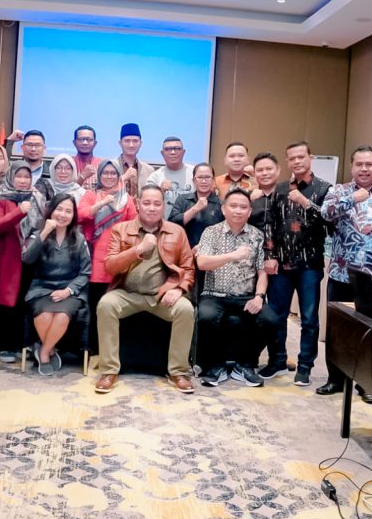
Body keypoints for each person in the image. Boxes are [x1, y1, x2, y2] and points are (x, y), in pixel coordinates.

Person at [316, 145, 372, 400]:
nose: (364, 169)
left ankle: (367, 383)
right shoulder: (338, 191)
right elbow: (325, 214)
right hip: (341, 273)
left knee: (371, 331)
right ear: (352, 166)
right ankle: (336, 379)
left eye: (369, 164)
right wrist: (350, 199)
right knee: (338, 329)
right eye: (359, 164)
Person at [94, 185, 196, 394]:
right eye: (147, 203)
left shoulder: (176, 231)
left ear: (164, 206)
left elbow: (188, 268)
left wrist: (179, 289)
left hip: (161, 296)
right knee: (106, 305)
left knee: (185, 309)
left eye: (157, 203)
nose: (152, 208)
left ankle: (178, 371)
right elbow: (110, 266)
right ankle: (109, 371)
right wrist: (138, 249)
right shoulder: (121, 229)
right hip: (127, 294)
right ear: (138, 204)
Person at [260, 142, 332, 387]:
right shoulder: (280, 189)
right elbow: (269, 224)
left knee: (309, 318)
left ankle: (304, 367)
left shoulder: (324, 188)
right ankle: (277, 360)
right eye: (292, 158)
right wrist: (269, 255)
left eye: (301, 157)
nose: (297, 161)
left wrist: (305, 202)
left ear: (310, 157)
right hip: (281, 264)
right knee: (276, 316)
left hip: (309, 264)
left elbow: (329, 222)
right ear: (287, 162)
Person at [195, 188, 277, 388]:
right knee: (206, 316)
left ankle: (245, 365)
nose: (238, 211)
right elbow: (202, 263)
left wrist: (259, 297)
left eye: (243, 207)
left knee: (270, 319)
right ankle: (216, 366)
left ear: (249, 212)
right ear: (224, 209)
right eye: (233, 206)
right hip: (214, 294)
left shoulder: (257, 235)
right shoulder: (211, 232)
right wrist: (232, 255)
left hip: (245, 296)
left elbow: (262, 272)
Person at [22, 193, 92, 374]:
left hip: (69, 290)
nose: (63, 214)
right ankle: (51, 349)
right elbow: (27, 259)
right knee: (44, 315)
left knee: (61, 315)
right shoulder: (37, 235)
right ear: (51, 211)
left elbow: (85, 272)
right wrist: (44, 233)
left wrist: (68, 291)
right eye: (59, 209)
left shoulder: (79, 239)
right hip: (41, 288)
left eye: (68, 211)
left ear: (73, 215)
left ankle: (44, 352)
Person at [77, 160, 138, 353]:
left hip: (118, 258)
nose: (109, 176)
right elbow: (80, 215)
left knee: (117, 309)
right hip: (94, 258)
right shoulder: (91, 195)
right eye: (105, 173)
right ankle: (95, 351)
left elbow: (134, 227)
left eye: (113, 173)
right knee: (96, 307)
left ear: (119, 175)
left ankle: (116, 352)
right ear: (99, 175)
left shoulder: (127, 199)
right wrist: (102, 203)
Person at [0, 164, 43, 362]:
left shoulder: (36, 198)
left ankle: (18, 344)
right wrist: (19, 211)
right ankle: (3, 347)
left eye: (27, 177)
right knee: (4, 303)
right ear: (10, 177)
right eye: (19, 176)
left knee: (21, 302)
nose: (23, 181)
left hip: (29, 257)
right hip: (6, 259)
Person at [168, 162, 224, 249]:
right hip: (183, 251)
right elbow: (172, 225)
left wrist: (203, 247)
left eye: (208, 177)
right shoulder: (182, 199)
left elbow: (224, 234)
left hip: (210, 252)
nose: (204, 181)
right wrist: (194, 209)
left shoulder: (221, 204)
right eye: (200, 177)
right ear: (193, 180)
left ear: (213, 180)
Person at [146, 136, 195, 219]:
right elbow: (147, 204)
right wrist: (160, 191)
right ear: (162, 153)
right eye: (168, 149)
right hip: (163, 224)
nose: (172, 152)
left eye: (177, 148)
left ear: (183, 152)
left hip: (192, 223)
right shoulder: (155, 177)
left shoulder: (195, 173)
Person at [117, 123, 155, 197]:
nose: (131, 145)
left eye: (135, 141)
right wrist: (123, 178)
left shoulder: (149, 170)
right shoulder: (111, 166)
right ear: (120, 143)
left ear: (140, 143)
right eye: (127, 141)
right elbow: (103, 191)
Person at [72, 125, 101, 190]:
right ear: (74, 143)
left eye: (89, 139)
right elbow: (64, 192)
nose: (85, 143)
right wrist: (82, 177)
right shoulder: (68, 164)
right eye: (81, 139)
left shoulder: (102, 164)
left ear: (95, 143)